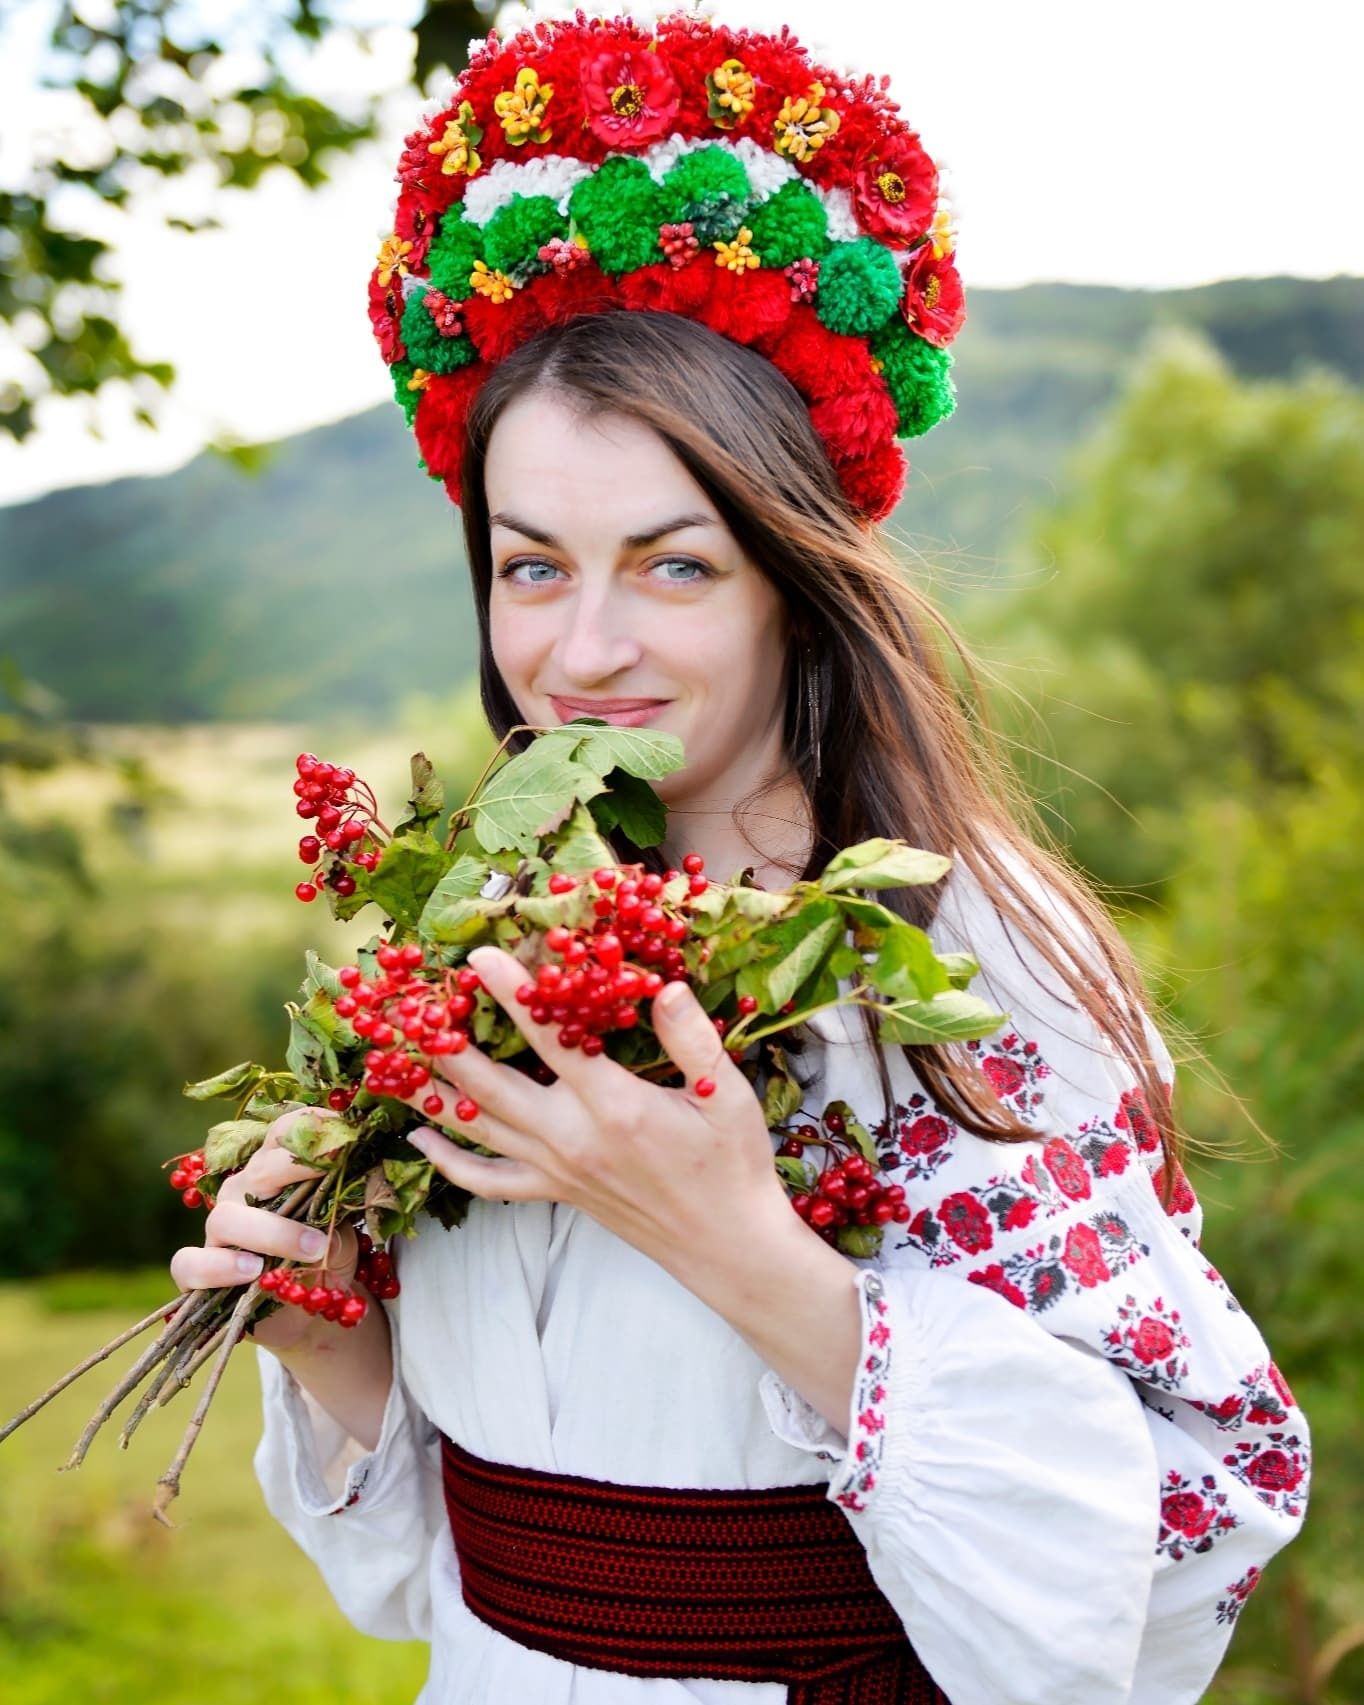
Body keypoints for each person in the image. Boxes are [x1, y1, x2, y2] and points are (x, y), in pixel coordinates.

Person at [170, 8, 1310, 1701]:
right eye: (534, 565)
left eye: (676, 565)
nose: (584, 649)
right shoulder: (489, 947)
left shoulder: (968, 973)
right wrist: (336, 1348)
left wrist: (747, 1250)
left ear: (797, 571)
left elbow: (1171, 1564)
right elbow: (451, 1582)